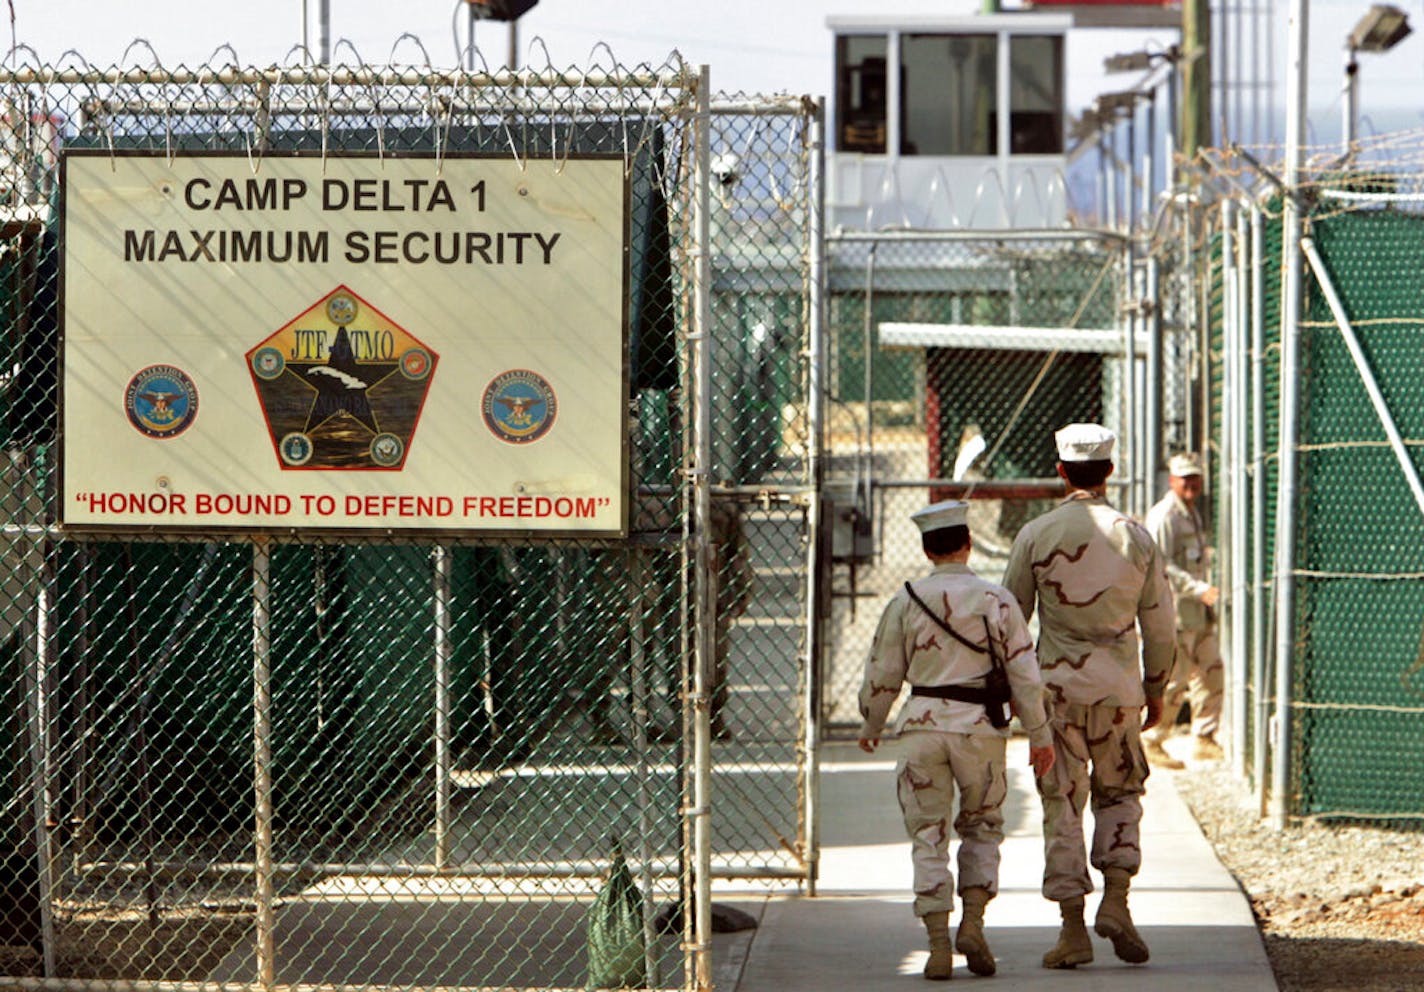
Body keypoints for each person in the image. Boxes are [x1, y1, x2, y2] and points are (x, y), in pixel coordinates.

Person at [858, 499, 1056, 981]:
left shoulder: (905, 599)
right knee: (983, 825)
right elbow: (1026, 676)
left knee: (928, 835)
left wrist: (872, 724)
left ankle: (937, 945)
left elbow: (884, 673)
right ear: (967, 545)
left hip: (923, 728)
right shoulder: (998, 601)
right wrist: (1039, 734)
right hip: (980, 730)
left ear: (928, 549)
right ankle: (973, 922)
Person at [1002, 423, 1176, 970]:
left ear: (1060, 471)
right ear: (1110, 470)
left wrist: (1016, 697)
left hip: (1055, 693)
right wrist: (1157, 686)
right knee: (1121, 794)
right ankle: (1118, 901)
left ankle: (1073, 929)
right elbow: (1162, 625)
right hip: (1120, 690)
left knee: (1062, 803)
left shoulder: (1036, 534)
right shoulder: (1136, 534)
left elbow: (1010, 621)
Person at [1142, 453, 1224, 768]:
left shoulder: (1190, 513)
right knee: (1175, 680)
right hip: (1176, 611)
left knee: (1211, 670)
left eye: (1195, 478)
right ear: (1172, 480)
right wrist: (1197, 588)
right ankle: (1152, 739)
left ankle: (1204, 737)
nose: (1190, 484)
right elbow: (1161, 564)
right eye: (1184, 478)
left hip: (1196, 612)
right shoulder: (1165, 516)